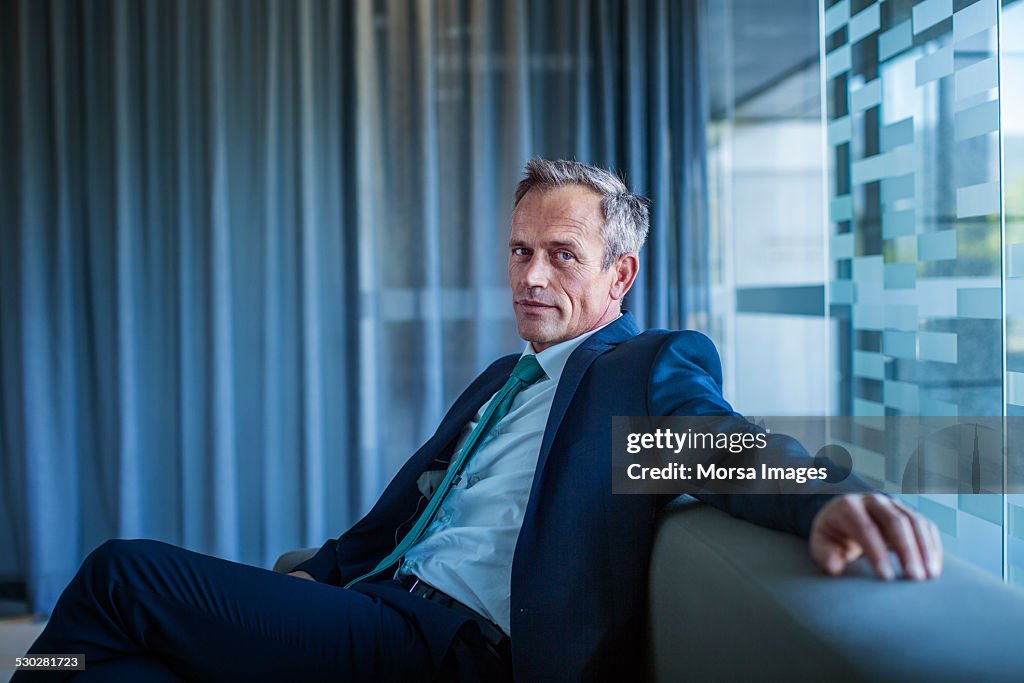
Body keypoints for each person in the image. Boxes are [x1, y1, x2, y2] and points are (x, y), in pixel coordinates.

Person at [16, 158, 942, 682]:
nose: (532, 276)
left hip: (451, 649)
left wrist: (827, 493)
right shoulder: (506, 377)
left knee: (119, 573)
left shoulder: (639, 368)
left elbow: (709, 439)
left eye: (562, 255)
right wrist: (308, 580)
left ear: (619, 275)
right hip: (373, 607)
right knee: (123, 671)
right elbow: (399, 521)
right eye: (520, 249)